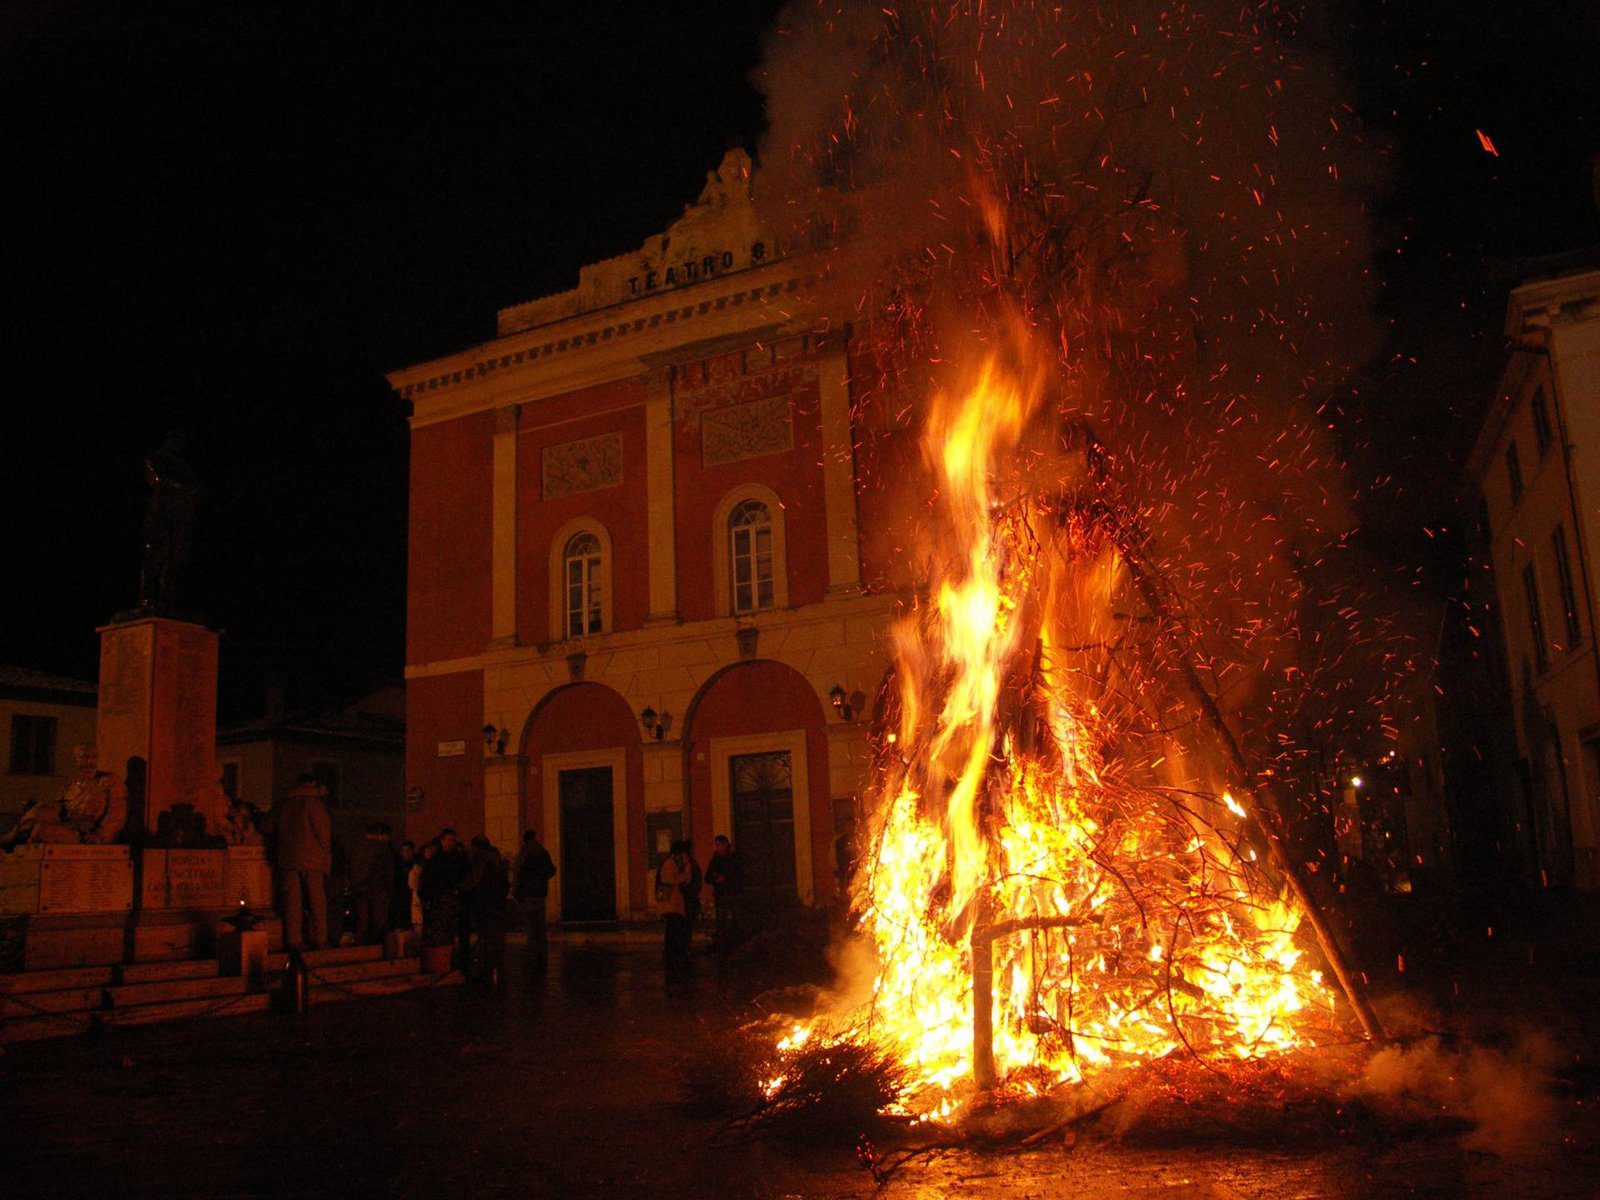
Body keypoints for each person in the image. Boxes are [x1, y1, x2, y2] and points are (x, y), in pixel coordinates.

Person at [272, 777, 332, 951]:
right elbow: (324, 834)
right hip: (312, 859)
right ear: (311, 784)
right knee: (316, 901)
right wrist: (326, 854)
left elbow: (267, 825)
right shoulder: (313, 804)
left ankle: (294, 940)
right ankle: (320, 939)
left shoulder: (283, 803)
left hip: (288, 859)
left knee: (292, 902)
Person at [418, 828, 471, 966]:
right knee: (443, 933)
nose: (452, 843)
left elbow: (467, 877)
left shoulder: (459, 859)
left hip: (454, 901)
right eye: (449, 840)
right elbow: (427, 880)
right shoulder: (436, 860)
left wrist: (458, 890)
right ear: (442, 841)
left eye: (454, 840)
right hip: (440, 902)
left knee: (456, 932)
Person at [462, 836, 510, 984]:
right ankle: (498, 969)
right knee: (496, 939)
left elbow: (474, 883)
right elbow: (505, 886)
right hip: (498, 906)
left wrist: (460, 890)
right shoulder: (498, 862)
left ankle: (485, 970)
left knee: (485, 938)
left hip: (485, 907)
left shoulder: (482, 862)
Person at [657, 839, 699, 985]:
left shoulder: (673, 863)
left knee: (673, 928)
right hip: (671, 903)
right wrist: (684, 874)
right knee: (672, 928)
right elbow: (671, 879)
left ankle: (672, 952)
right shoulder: (669, 864)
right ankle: (671, 953)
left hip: (674, 903)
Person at [512, 829, 556, 971]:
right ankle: (542, 951)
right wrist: (542, 879)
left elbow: (517, 874)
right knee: (540, 923)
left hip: (527, 894)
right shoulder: (542, 852)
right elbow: (551, 870)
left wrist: (516, 892)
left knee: (531, 924)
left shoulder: (523, 854)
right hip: (539, 893)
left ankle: (532, 952)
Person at [353, 822, 398, 944]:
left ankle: (360, 945)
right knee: (378, 920)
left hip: (361, 889)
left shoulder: (358, 849)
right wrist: (388, 889)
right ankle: (374, 946)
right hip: (378, 888)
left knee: (362, 920)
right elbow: (389, 871)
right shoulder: (383, 849)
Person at [704, 834, 743, 959]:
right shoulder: (714, 861)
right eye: (716, 845)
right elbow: (707, 877)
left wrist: (726, 879)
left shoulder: (734, 859)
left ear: (725, 845)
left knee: (737, 921)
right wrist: (715, 879)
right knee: (721, 923)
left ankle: (735, 945)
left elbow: (739, 875)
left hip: (733, 894)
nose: (717, 847)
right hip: (721, 895)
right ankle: (722, 949)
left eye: (719, 845)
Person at [389, 839, 416, 935]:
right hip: (400, 894)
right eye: (404, 850)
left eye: (408, 850)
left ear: (412, 851)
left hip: (411, 894)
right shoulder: (399, 865)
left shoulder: (415, 864)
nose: (406, 852)